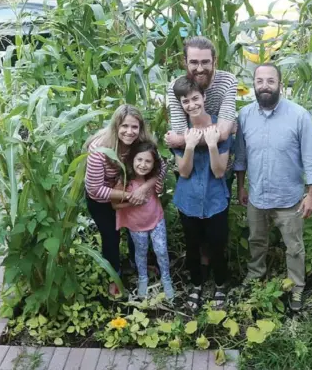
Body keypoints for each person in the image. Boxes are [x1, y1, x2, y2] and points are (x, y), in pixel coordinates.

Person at [234, 63, 312, 312]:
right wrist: (241, 187)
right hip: (257, 196)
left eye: (270, 81)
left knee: (294, 248)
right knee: (256, 241)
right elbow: (240, 157)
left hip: (290, 199)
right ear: (254, 84)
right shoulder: (245, 116)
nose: (265, 86)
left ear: (280, 84)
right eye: (260, 80)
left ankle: (297, 288)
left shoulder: (298, 116)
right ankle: (255, 276)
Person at [85, 104, 166, 296]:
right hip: (103, 201)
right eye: (124, 126)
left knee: (135, 231)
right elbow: (94, 189)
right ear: (116, 126)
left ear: (140, 128)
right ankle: (115, 276)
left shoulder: (142, 143)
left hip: (133, 194)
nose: (129, 132)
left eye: (134, 127)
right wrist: (130, 196)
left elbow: (161, 167)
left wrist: (145, 188)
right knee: (111, 238)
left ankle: (137, 264)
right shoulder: (99, 150)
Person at [171, 76, 232, 310]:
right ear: (181, 105)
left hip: (216, 200)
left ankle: (219, 284)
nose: (192, 105)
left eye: (195, 98)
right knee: (192, 245)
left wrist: (213, 144)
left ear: (204, 97)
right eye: (185, 101)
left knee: (218, 245)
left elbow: (219, 171)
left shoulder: (221, 128)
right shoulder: (179, 132)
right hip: (188, 201)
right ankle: (196, 285)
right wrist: (187, 145)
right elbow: (184, 172)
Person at [112, 140, 174, 300]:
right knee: (141, 252)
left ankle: (166, 278)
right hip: (136, 224)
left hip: (156, 218)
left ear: (153, 164)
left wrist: (158, 188)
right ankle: (143, 278)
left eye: (148, 161)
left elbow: (160, 182)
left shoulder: (152, 178)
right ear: (132, 159)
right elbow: (114, 205)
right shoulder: (124, 179)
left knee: (161, 250)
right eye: (139, 160)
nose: (143, 164)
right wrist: (130, 201)